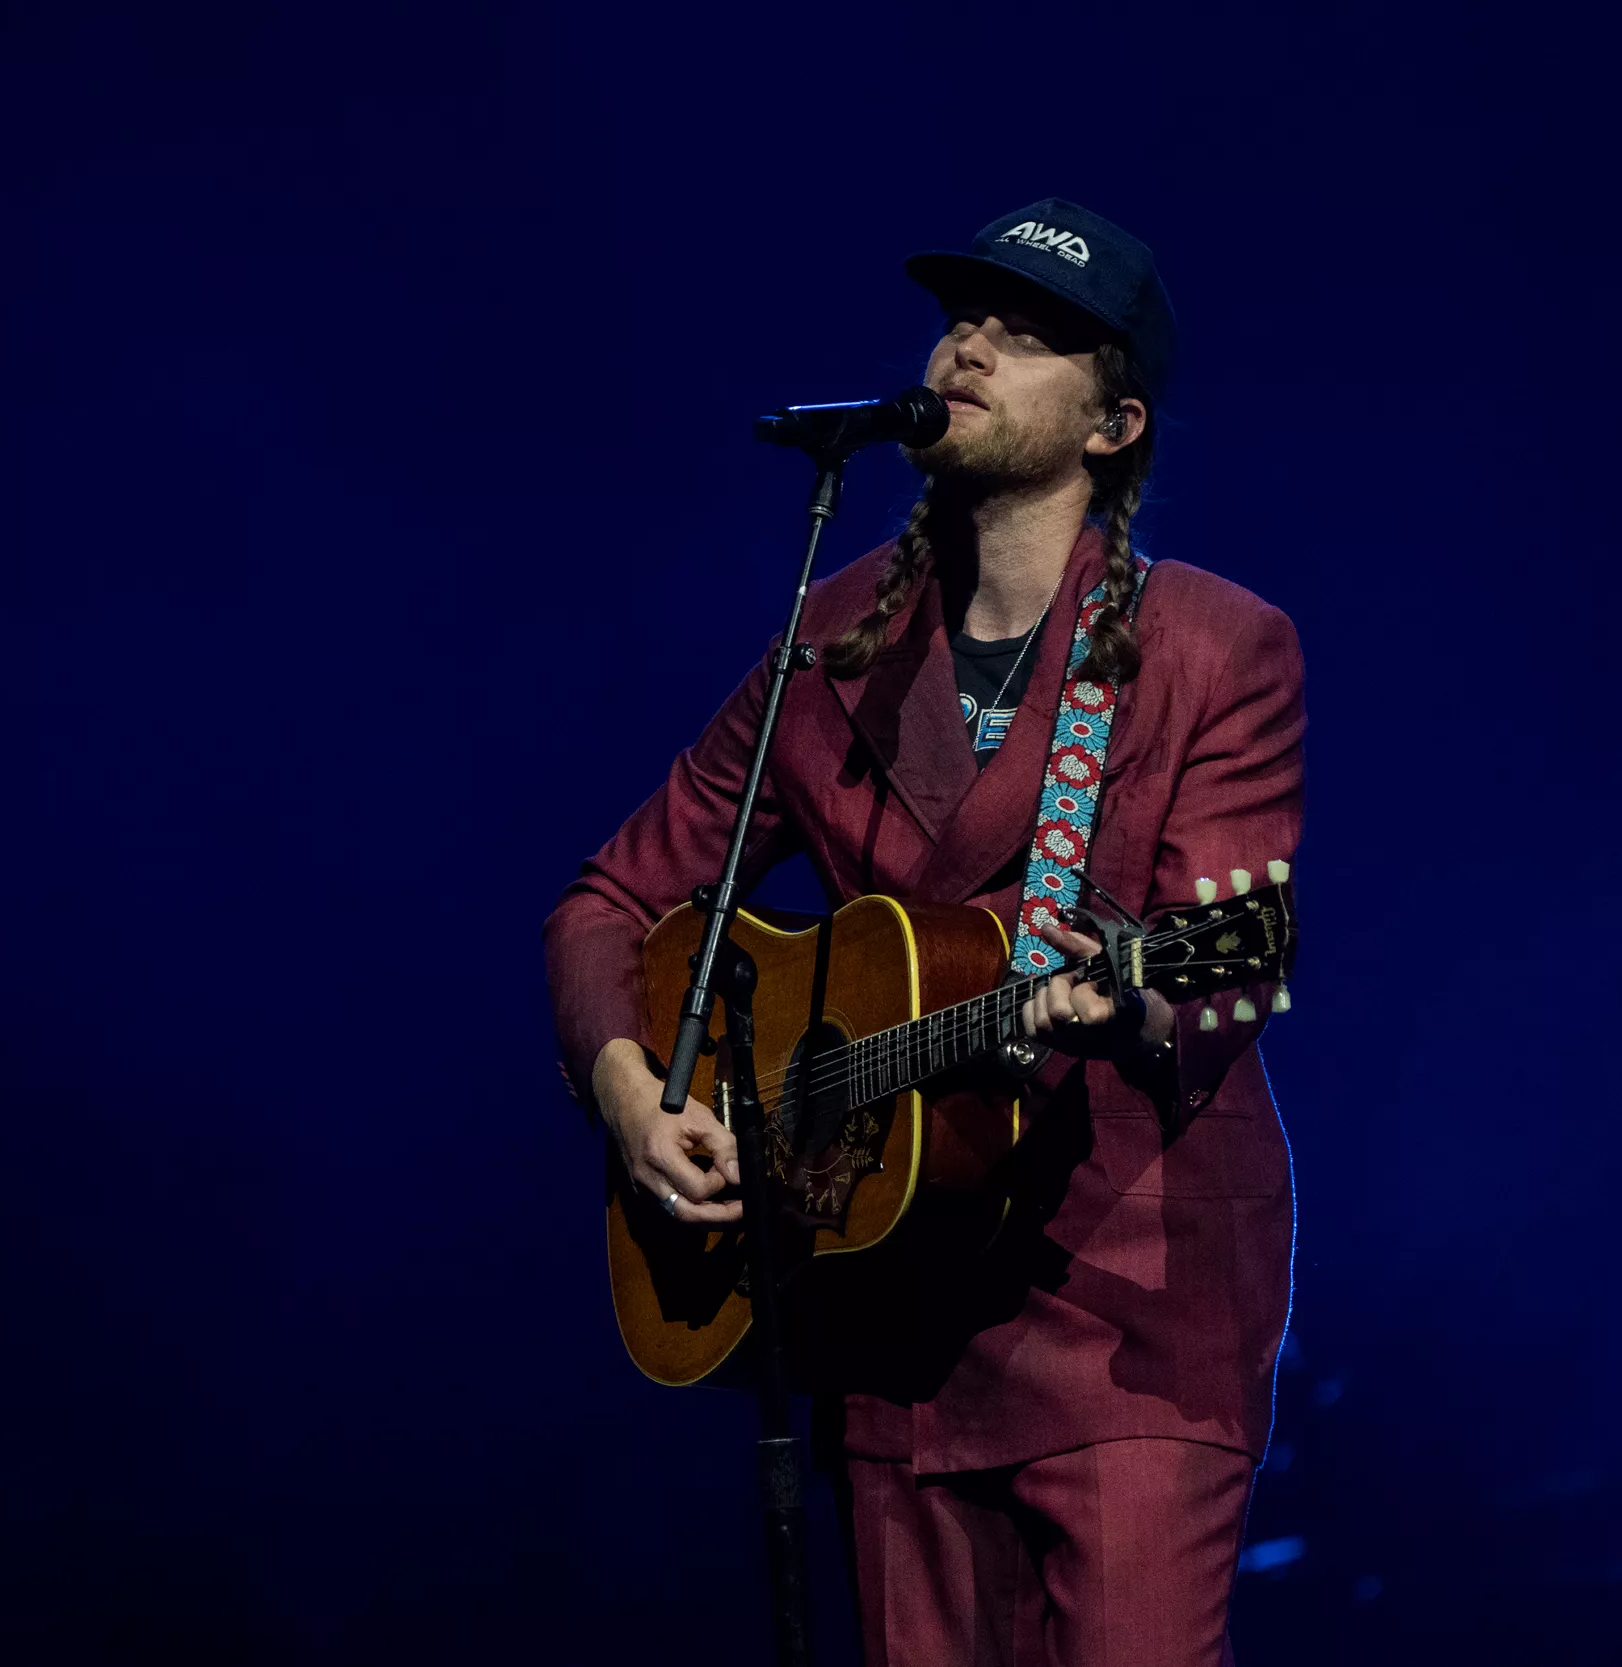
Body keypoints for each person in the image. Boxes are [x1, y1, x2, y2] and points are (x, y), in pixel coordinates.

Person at [543, 199, 1305, 1666]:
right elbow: (609, 902)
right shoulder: (833, 643)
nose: (971, 345)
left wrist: (1131, 1000)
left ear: (1114, 424)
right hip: (884, 1297)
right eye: (966, 317)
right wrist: (632, 1094)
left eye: (1031, 334)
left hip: (1127, 1310)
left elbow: (1231, 964)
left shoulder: (1214, 647)